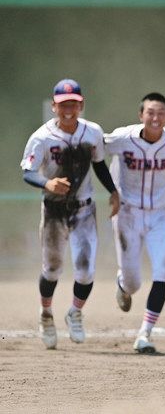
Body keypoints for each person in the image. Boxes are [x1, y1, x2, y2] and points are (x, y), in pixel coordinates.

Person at [20, 78, 119, 349]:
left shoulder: (92, 132)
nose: (69, 109)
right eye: (63, 104)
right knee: (52, 268)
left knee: (86, 271)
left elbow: (99, 164)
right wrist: (47, 182)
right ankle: (46, 314)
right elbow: (27, 172)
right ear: (54, 106)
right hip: (53, 208)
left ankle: (75, 312)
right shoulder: (41, 137)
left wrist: (113, 191)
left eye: (73, 103)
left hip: (84, 208)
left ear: (81, 104)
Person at [103, 92, 165, 353]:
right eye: (150, 112)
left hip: (157, 214)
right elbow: (95, 153)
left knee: (163, 267)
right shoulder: (122, 137)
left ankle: (145, 333)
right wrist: (111, 191)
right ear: (141, 115)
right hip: (127, 213)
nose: (155, 117)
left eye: (161, 113)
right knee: (133, 283)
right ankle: (123, 284)